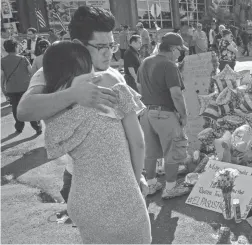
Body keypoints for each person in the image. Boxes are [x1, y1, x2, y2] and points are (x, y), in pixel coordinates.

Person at [17, 5, 127, 222]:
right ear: (78, 45)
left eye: (112, 45)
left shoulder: (113, 74)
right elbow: (24, 110)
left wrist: (137, 172)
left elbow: (130, 130)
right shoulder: (54, 71)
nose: (108, 53)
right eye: (101, 46)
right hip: (81, 178)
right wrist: (73, 93)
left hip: (121, 174)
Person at [42, 41, 151, 243]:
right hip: (121, 195)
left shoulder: (54, 109)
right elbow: (138, 144)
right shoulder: (115, 90)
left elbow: (53, 146)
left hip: (82, 199)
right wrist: (135, 181)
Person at [137, 32, 190, 198]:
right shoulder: (169, 65)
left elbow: (139, 87)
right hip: (165, 114)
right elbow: (176, 94)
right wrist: (184, 115)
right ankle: (170, 187)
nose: (180, 54)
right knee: (173, 150)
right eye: (179, 50)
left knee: (150, 152)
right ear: (173, 49)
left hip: (146, 113)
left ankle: (151, 184)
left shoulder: (145, 62)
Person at [1, 39, 41, 134]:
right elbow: (31, 72)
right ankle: (37, 127)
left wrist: (3, 88)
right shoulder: (23, 59)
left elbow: (2, 76)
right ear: (15, 47)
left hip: (11, 88)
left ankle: (19, 127)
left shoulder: (2, 61)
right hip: (25, 87)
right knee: (29, 107)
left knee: (15, 108)